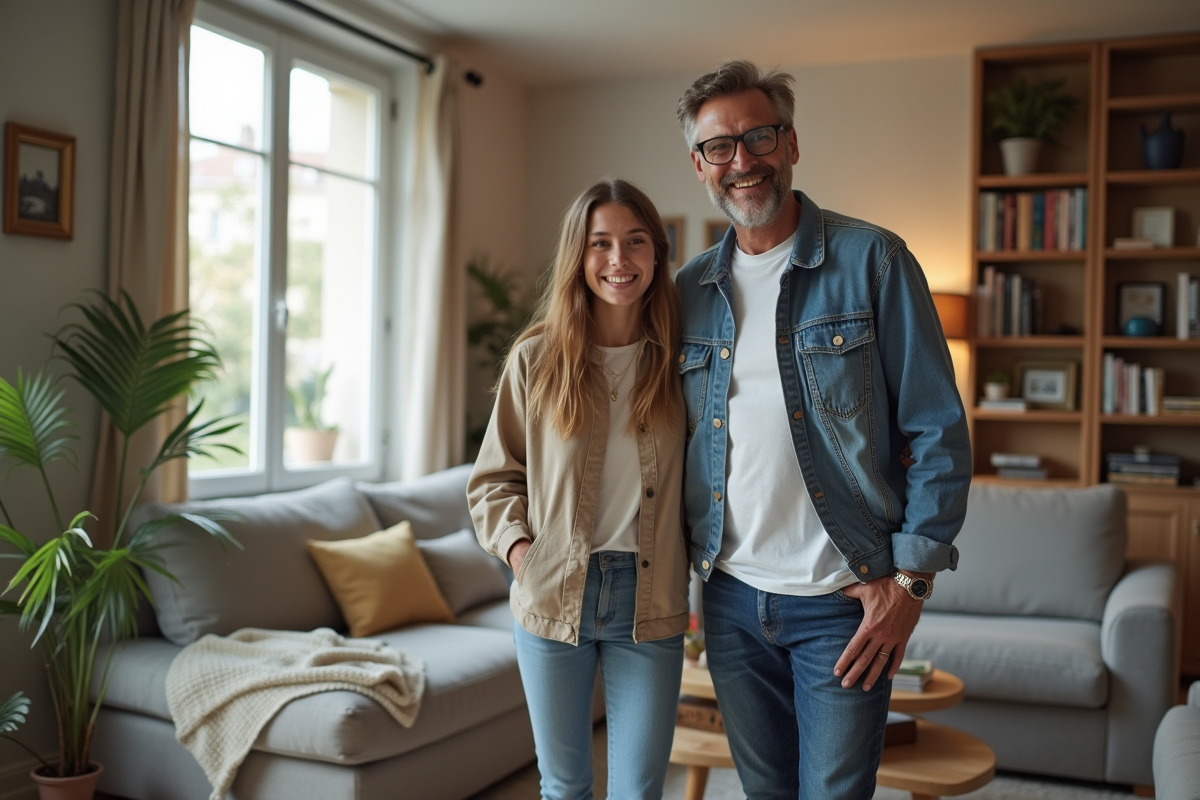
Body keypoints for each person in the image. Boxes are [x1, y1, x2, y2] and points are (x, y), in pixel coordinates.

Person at [673, 59, 972, 799]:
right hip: (732, 602)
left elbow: (939, 430)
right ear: (699, 165)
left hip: (845, 603)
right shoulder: (686, 292)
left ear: (792, 143)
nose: (742, 161)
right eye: (720, 146)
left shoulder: (874, 260)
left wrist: (911, 580)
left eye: (759, 136)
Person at [468, 178, 690, 800]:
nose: (619, 260)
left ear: (657, 253)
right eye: (601, 244)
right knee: (564, 785)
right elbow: (493, 479)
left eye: (635, 242)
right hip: (552, 591)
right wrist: (520, 553)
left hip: (650, 599)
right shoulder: (536, 360)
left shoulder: (681, 360)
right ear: (579, 255)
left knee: (639, 789)